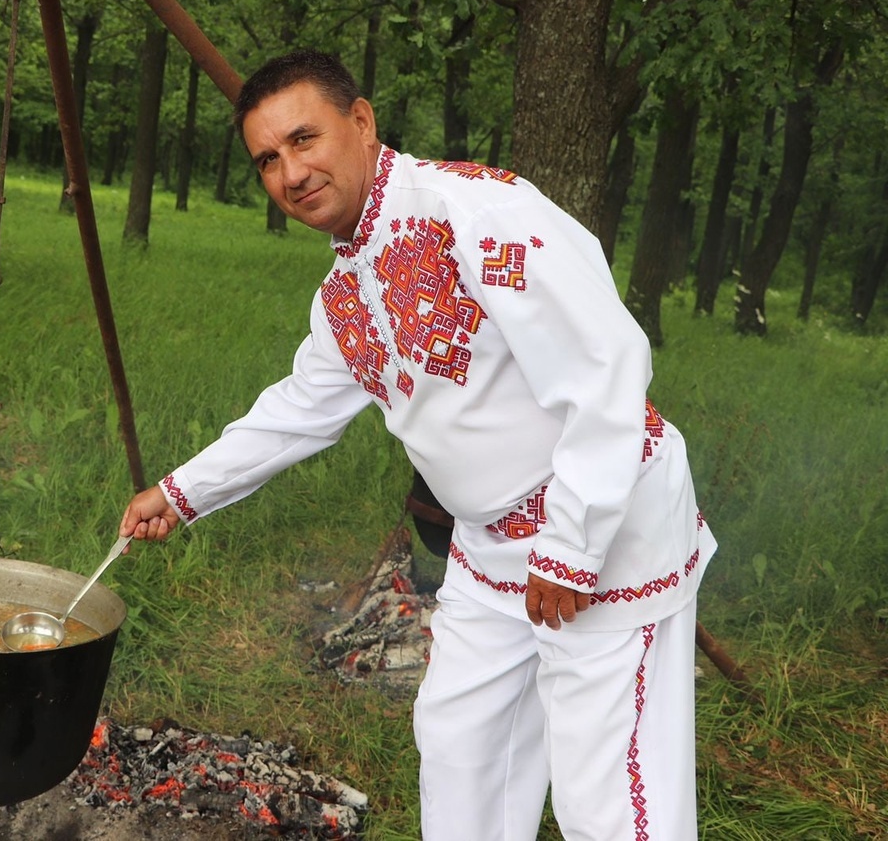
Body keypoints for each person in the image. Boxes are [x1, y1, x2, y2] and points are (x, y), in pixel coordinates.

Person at [120, 49, 714, 840]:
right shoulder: (344, 290)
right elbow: (300, 408)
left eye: (304, 139)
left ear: (362, 121)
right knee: (462, 749)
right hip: (487, 546)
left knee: (607, 799)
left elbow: (605, 365)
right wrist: (181, 491)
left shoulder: (476, 212)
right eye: (267, 159)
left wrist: (571, 544)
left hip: (602, 529)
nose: (291, 173)